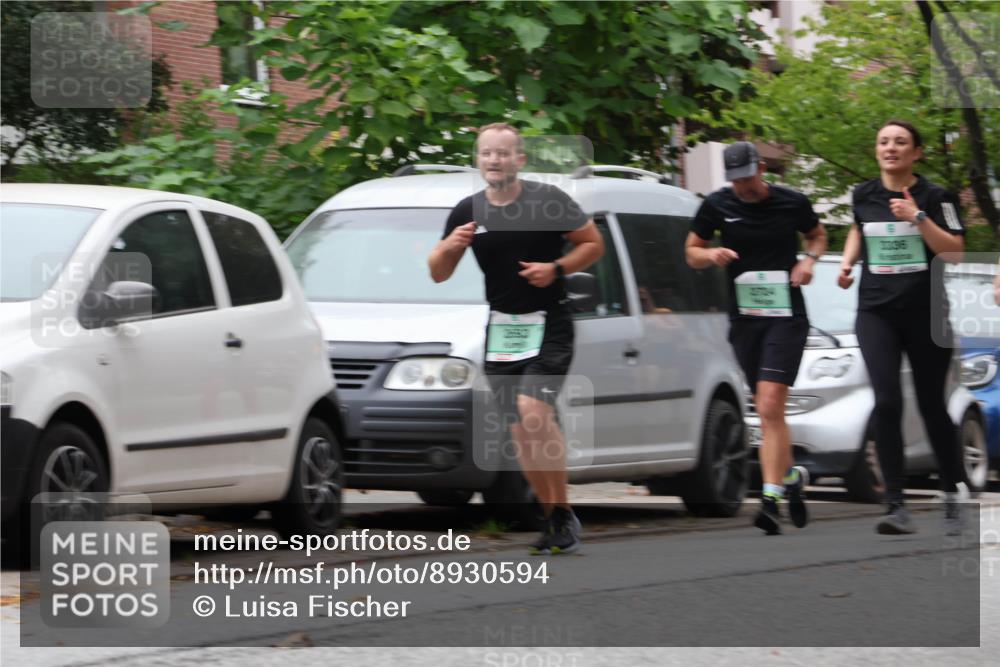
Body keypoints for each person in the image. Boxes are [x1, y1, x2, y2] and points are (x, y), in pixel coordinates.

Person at [428, 123, 604, 554]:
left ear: (519, 160)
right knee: (521, 429)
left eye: (503, 153)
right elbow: (437, 271)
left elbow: (593, 244)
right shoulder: (467, 210)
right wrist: (451, 246)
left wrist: (556, 269)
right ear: (478, 160)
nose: (493, 160)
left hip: (550, 322)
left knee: (533, 412)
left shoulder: (547, 200)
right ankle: (555, 517)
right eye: (486, 153)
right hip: (504, 328)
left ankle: (562, 514)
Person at [686, 141, 827, 535]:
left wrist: (808, 260)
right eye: (735, 180)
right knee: (768, 411)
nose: (742, 186)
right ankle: (792, 476)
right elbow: (690, 251)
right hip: (745, 319)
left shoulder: (791, 202)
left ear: (761, 168)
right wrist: (710, 256)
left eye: (748, 177)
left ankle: (769, 500)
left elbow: (817, 236)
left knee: (768, 403)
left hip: (786, 317)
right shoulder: (717, 205)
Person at [838, 119, 966, 535]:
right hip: (876, 312)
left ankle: (952, 491)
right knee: (887, 401)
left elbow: (956, 252)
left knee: (931, 405)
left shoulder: (937, 196)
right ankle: (895, 504)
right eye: (883, 142)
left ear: (917, 152)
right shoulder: (863, 194)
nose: (890, 148)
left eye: (900, 142)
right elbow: (860, 230)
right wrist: (847, 262)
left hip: (927, 315)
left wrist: (918, 217)